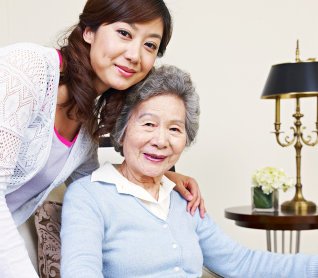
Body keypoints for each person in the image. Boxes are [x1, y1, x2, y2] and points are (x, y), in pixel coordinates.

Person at [0, 1, 205, 277]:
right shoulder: (26, 70)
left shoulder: (85, 132)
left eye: (150, 45)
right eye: (124, 33)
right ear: (89, 31)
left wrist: (163, 178)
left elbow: (97, 188)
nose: (135, 55)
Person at [61, 65, 318, 278]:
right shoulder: (88, 195)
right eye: (149, 124)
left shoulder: (183, 198)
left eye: (175, 129)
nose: (161, 140)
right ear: (122, 129)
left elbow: (241, 263)